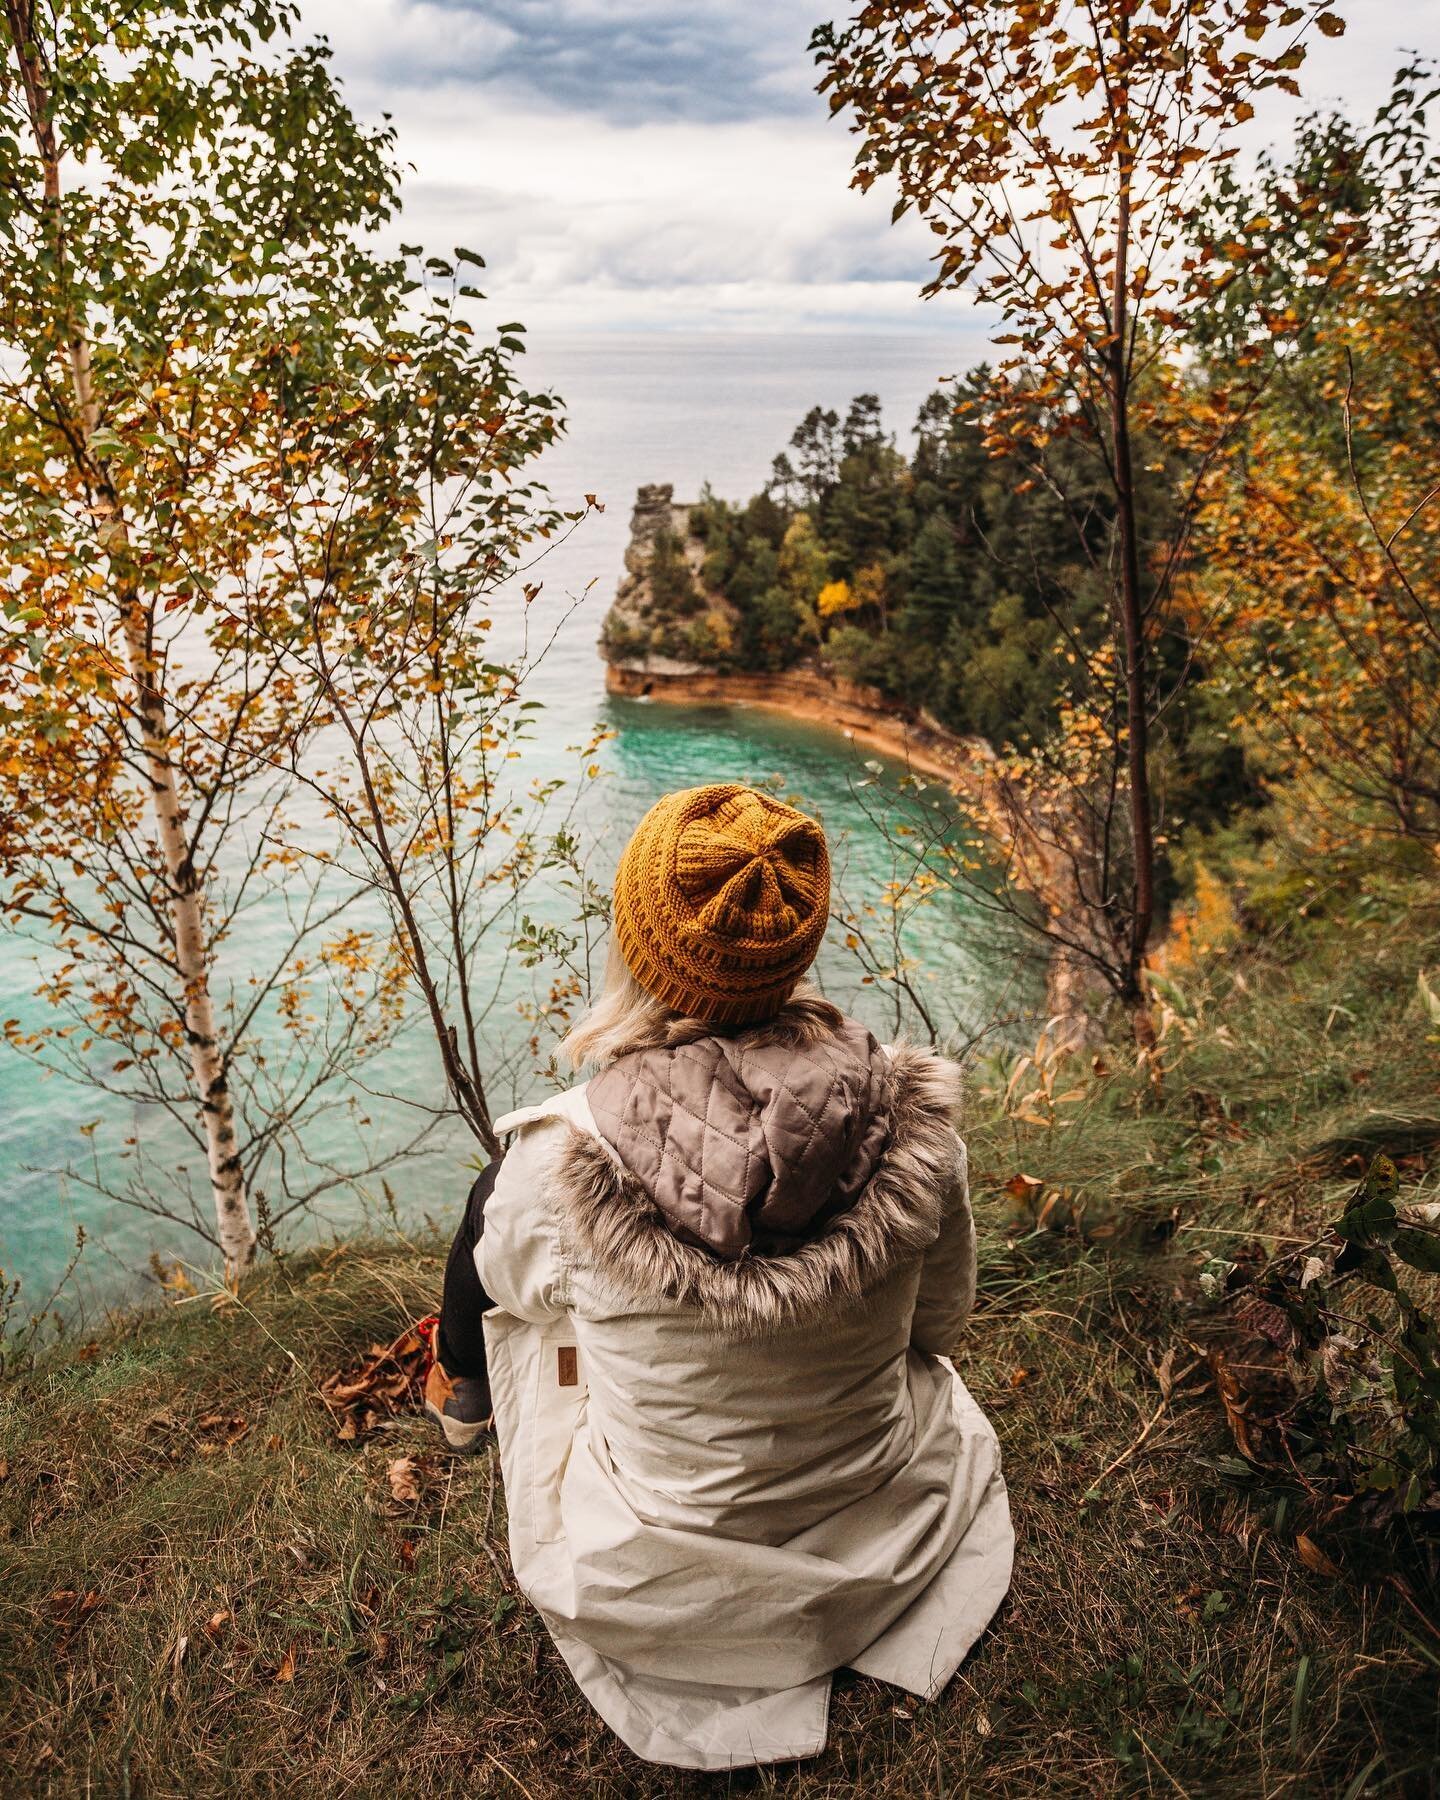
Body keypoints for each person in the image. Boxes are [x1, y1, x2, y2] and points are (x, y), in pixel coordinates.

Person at [423, 782, 1013, 1770]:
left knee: (515, 1273)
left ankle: (463, 1403)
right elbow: (940, 1328)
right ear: (798, 943)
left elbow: (499, 1291)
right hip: (880, 1522)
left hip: (660, 1572)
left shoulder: (555, 1162)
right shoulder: (917, 1129)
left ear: (636, 942)